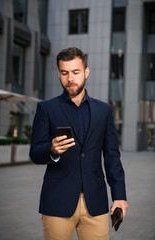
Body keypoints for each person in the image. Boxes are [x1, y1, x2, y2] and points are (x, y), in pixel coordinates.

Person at [30, 47, 128, 240]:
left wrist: (119, 196)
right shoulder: (46, 109)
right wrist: (52, 150)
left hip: (96, 203)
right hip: (57, 201)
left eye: (75, 72)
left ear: (86, 72)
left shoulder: (104, 111)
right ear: (58, 73)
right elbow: (35, 152)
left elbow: (112, 157)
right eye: (64, 73)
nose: (70, 79)